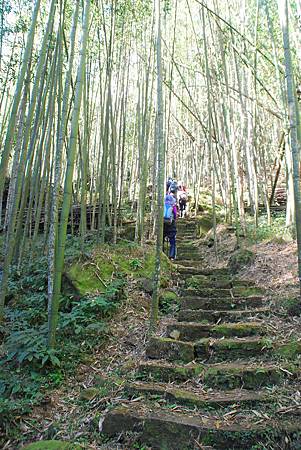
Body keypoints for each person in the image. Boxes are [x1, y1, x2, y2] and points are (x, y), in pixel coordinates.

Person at [163, 193, 177, 260]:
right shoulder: (173, 206)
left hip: (163, 225)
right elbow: (175, 215)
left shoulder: (163, 205)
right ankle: (171, 256)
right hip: (171, 226)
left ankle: (161, 253)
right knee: (172, 242)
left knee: (162, 240)